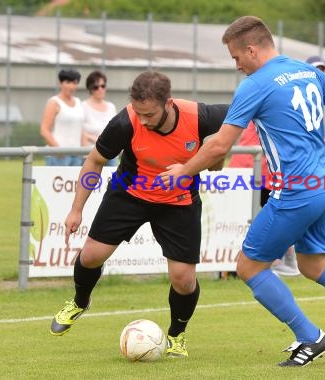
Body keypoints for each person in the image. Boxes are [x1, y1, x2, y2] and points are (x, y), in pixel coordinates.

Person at [160, 16, 325, 367]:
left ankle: (310, 336)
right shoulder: (305, 70)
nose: (236, 66)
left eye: (236, 57)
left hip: (295, 190)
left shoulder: (256, 84)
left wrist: (182, 171)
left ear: (251, 49)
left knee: (248, 266)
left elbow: (220, 146)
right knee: (313, 264)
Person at [50, 71, 229, 360]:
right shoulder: (125, 121)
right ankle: (80, 301)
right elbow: (94, 161)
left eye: (149, 114)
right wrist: (76, 209)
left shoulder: (199, 115)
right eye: (139, 112)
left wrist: (218, 153)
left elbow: (240, 120)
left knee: (183, 280)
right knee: (91, 256)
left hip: (178, 201)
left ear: (168, 103)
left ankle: (176, 335)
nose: (143, 119)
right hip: (128, 195)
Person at [228, 122, 300, 277]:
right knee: (242, 220)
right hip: (250, 168)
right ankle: (234, 266)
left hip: (260, 170)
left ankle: (283, 261)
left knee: (274, 216)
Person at [40, 68, 85, 166]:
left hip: (77, 155)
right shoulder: (54, 102)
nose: (71, 86)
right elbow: (44, 130)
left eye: (74, 83)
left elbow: (81, 129)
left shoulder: (78, 102)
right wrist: (59, 151)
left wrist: (84, 151)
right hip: (58, 156)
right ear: (60, 83)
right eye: (68, 82)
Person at [82, 70, 119, 167]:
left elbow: (115, 131)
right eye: (96, 87)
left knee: (112, 181)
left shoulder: (111, 107)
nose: (100, 89)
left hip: (110, 154)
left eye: (103, 86)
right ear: (90, 89)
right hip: (90, 155)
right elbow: (81, 133)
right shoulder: (83, 106)